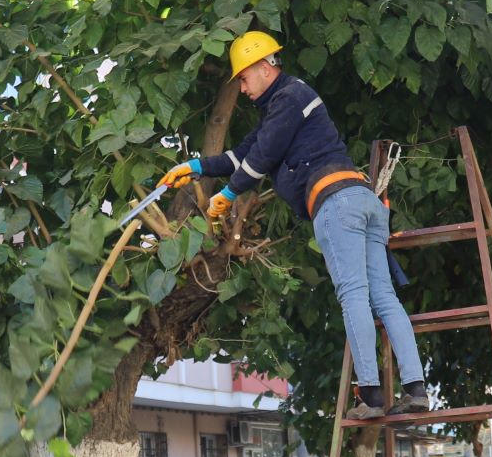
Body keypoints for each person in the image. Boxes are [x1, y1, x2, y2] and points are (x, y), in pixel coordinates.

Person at [160, 30, 430, 421]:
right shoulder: (283, 106)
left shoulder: (289, 98)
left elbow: (261, 159)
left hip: (336, 205)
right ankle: (415, 389)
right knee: (384, 297)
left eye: (244, 76)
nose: (242, 85)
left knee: (354, 296)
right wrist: (195, 168)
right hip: (363, 201)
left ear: (264, 66)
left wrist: (228, 196)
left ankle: (370, 396)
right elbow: (243, 156)